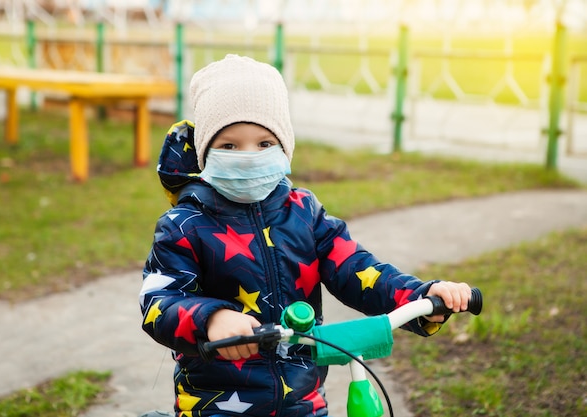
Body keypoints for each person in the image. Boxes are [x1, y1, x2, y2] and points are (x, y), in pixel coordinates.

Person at [140, 54, 471, 417]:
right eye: (230, 146)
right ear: (205, 153)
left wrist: (421, 298)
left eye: (264, 143)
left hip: (303, 401)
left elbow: (357, 269)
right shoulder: (184, 225)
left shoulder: (305, 213)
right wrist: (211, 319)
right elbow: (161, 302)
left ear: (284, 146)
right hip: (218, 404)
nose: (249, 156)